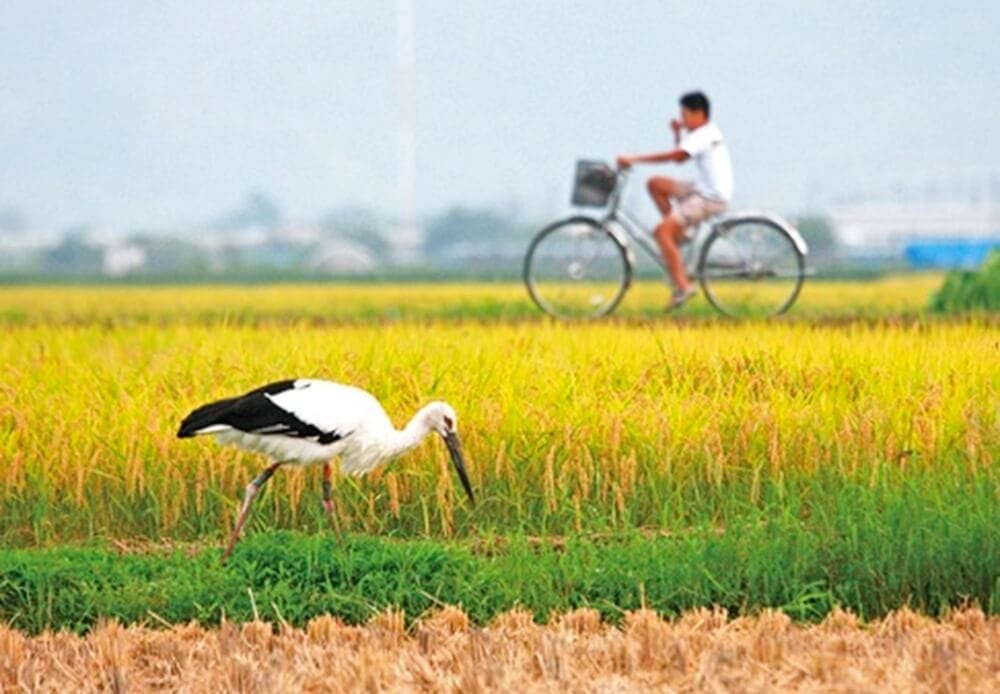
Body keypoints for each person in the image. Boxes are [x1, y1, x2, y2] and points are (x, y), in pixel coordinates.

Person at [617, 91, 733, 308]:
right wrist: (678, 135)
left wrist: (634, 159)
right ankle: (678, 234)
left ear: (699, 113)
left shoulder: (703, 135)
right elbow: (681, 157)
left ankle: (682, 286)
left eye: (685, 114)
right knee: (655, 184)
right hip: (701, 189)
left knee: (661, 232)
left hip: (708, 197)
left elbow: (676, 157)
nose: (682, 119)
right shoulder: (705, 133)